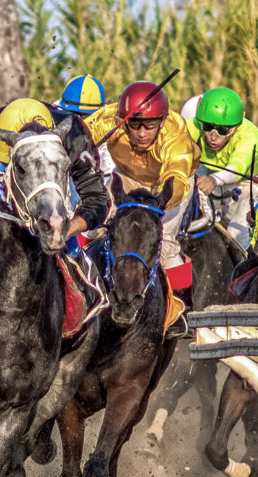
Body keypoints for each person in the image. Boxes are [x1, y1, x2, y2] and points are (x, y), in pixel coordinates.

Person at [83, 81, 199, 337]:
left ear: (163, 120)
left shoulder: (175, 132)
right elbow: (73, 137)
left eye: (150, 125)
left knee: (164, 243)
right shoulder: (108, 119)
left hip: (169, 183)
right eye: (134, 124)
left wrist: (157, 206)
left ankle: (183, 312)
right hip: (126, 175)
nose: (142, 133)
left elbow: (177, 178)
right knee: (93, 228)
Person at [0, 97, 110, 251]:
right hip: (13, 187)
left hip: (63, 188)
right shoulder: (1, 123)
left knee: (81, 266)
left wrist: (66, 229)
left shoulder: (76, 136)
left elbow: (97, 200)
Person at [185, 87, 258, 251]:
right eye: (208, 127)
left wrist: (214, 180)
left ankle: (242, 269)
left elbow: (235, 167)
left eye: (223, 130)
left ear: (236, 128)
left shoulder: (250, 137)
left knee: (234, 234)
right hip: (210, 172)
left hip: (248, 183)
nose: (213, 136)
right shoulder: (194, 124)